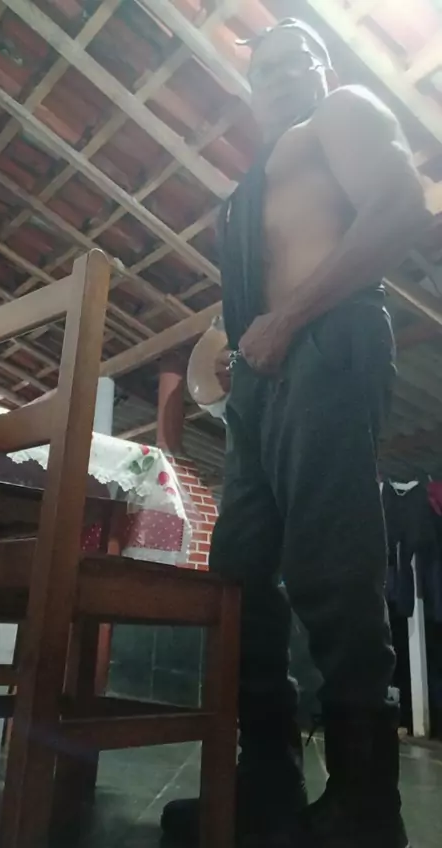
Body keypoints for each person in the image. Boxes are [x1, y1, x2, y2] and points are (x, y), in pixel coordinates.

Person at [161, 18, 429, 848]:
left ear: (323, 68)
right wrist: (245, 342)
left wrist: (288, 319)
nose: (279, 75)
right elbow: (260, 290)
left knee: (331, 567)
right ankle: (267, 781)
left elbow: (401, 208)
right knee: (238, 580)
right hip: (263, 382)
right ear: (249, 90)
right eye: (265, 68)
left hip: (329, 341)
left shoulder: (341, 114)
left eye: (295, 60)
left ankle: (364, 807)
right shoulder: (252, 182)